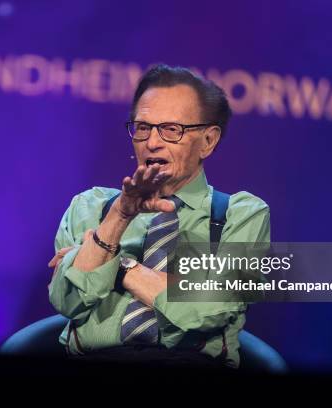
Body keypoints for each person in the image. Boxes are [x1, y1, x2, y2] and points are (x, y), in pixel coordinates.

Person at [47, 64, 270, 368]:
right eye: (142, 127)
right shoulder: (90, 206)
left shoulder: (241, 215)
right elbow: (68, 300)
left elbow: (205, 311)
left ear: (208, 141)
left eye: (171, 130)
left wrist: (120, 267)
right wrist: (120, 216)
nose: (152, 142)